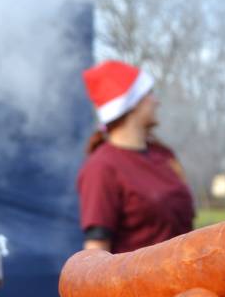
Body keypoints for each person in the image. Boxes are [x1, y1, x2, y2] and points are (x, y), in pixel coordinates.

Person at [77, 60, 195, 253]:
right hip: (138, 282)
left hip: (186, 279)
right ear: (131, 104)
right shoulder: (101, 167)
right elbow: (95, 253)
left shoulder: (164, 155)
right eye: (149, 94)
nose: (157, 101)